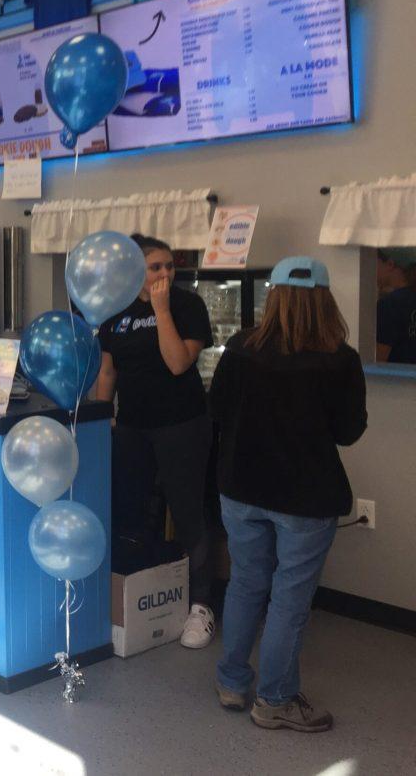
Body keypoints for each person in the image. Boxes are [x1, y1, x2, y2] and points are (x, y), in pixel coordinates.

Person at [210, 256, 367, 732]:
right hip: (305, 499)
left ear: (272, 295)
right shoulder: (340, 359)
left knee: (245, 584)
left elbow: (216, 408)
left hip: (240, 490)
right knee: (288, 600)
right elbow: (348, 432)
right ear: (325, 298)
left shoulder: (240, 348)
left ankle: (233, 682)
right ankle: (275, 700)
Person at [96, 233, 216, 649]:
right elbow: (108, 373)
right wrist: (99, 420)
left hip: (182, 425)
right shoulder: (117, 313)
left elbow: (178, 362)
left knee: (187, 513)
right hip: (132, 426)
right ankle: (144, 592)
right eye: (155, 267)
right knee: (132, 507)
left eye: (169, 266)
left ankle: (202, 604)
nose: (165, 273)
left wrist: (161, 310)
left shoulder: (187, 305)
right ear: (134, 271)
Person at [375, 249, 416, 363]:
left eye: (375, 262)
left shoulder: (389, 305)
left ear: (390, 264)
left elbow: (378, 359)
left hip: (395, 379)